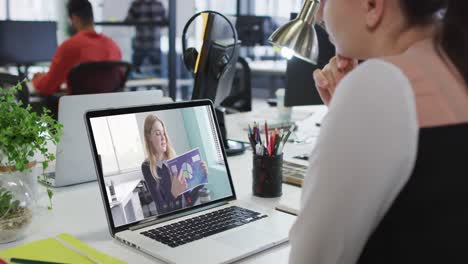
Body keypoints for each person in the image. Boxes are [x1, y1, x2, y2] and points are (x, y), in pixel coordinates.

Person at [289, 0, 468, 263]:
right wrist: (345, 115)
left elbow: (312, 256)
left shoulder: (380, 84)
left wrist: (353, 105)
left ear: (372, 6)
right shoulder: (454, 66)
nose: (318, 14)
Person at [32, 0, 122, 95]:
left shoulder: (70, 46)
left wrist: (37, 78)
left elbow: (47, 86)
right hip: (107, 106)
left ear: (74, 18)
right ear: (91, 17)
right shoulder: (113, 46)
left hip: (78, 107)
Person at [141, 114, 209, 215]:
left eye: (163, 133)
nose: (163, 138)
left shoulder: (174, 161)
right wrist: (174, 193)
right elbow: (162, 210)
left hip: (186, 216)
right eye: (158, 133)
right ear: (149, 137)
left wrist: (201, 179)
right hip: (169, 222)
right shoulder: (147, 167)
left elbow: (189, 201)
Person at [125, 0, 166, 76]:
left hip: (143, 44)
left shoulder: (137, 4)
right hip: (151, 44)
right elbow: (164, 23)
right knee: (158, 72)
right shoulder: (158, 4)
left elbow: (128, 22)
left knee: (135, 72)